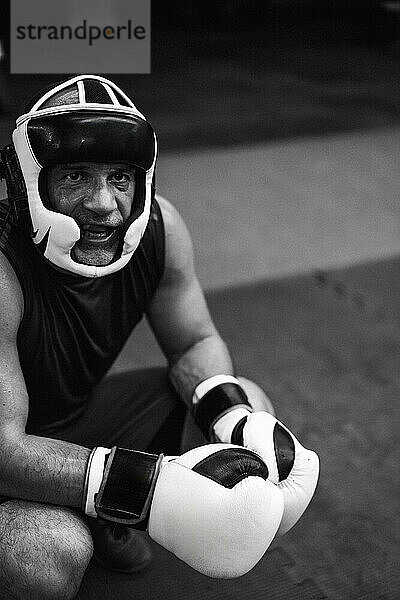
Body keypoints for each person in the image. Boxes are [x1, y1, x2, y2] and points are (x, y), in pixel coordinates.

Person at [0, 75, 319, 599]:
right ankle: (100, 504)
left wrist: (230, 414)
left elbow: (195, 343)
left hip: (74, 422)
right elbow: (5, 450)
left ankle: (99, 505)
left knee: (249, 419)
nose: (104, 204)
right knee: (47, 555)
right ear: (34, 181)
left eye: (120, 178)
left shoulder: (161, 231)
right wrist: (149, 490)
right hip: (11, 454)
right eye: (76, 176)